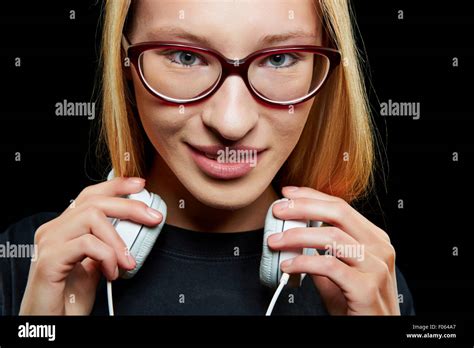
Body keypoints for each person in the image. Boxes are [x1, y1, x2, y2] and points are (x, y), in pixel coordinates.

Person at [1, 0, 415, 315]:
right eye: (185, 56)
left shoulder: (366, 276)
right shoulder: (29, 260)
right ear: (124, 60)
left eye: (279, 58)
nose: (231, 123)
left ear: (321, 68)